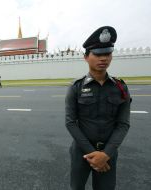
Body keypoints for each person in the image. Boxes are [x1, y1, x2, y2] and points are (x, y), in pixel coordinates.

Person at [65, 26, 131, 190]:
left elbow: (123, 124)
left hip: (108, 152)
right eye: (97, 54)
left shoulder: (120, 87)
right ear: (86, 57)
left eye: (107, 53)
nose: (103, 58)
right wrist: (93, 155)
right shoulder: (76, 87)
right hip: (81, 152)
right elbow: (70, 122)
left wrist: (106, 154)